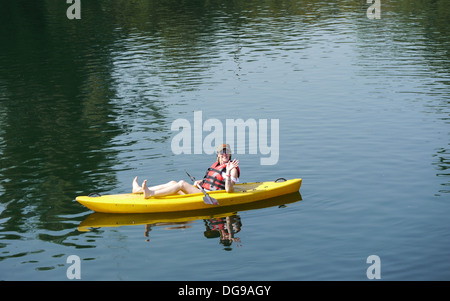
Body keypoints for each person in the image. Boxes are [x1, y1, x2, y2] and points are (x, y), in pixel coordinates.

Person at [132, 144, 240, 199]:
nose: (224, 154)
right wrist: (201, 182)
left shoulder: (232, 168)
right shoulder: (217, 165)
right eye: (222, 152)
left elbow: (229, 190)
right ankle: (139, 190)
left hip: (212, 196)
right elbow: (213, 181)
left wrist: (229, 172)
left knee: (182, 184)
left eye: (227, 152)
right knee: (173, 183)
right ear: (218, 154)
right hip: (203, 191)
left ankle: (150, 193)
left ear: (230, 154)